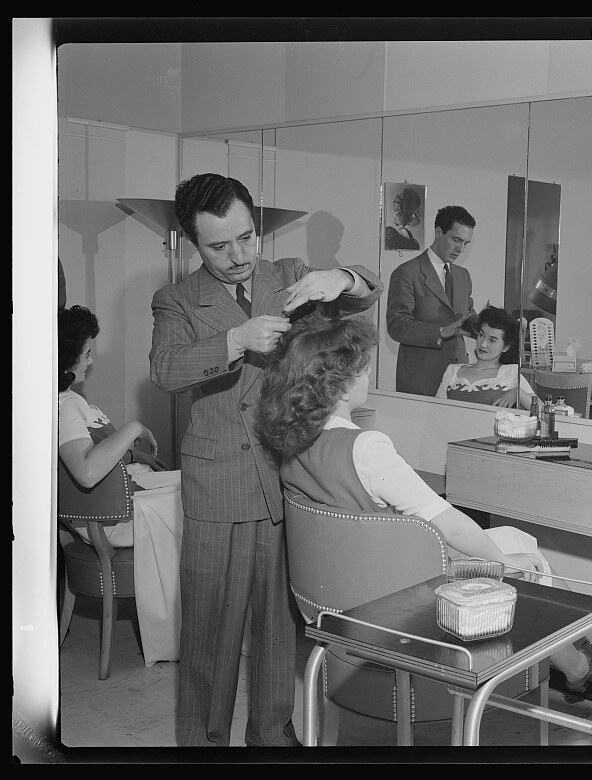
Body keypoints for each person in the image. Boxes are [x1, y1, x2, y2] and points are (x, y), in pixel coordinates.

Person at [255, 312, 592, 694]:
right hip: (399, 601)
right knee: (527, 558)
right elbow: (450, 525)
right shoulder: (365, 447)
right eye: (363, 368)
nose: (367, 374)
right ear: (340, 385)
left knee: (517, 539)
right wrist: (507, 562)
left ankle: (585, 656)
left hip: (339, 598)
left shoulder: (293, 441)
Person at [149, 172, 382, 748]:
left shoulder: (290, 277)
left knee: (280, 625)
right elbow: (165, 372)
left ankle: (272, 734)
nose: (238, 257)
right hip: (219, 483)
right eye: (219, 246)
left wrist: (343, 276)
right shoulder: (176, 300)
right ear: (191, 244)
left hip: (285, 475)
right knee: (209, 634)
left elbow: (367, 291)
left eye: (247, 238)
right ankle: (203, 745)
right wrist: (234, 341)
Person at [58, 305, 183, 666]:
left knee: (198, 484)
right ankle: (193, 630)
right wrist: (132, 428)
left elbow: (95, 458)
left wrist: (133, 456)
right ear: (66, 359)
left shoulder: (74, 403)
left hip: (119, 505)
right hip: (111, 519)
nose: (91, 360)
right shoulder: (65, 406)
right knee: (206, 501)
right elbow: (84, 472)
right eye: (86, 352)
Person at [386, 205, 479, 396]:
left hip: (458, 377)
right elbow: (397, 325)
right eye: (456, 240)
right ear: (438, 232)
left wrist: (499, 326)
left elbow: (467, 318)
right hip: (421, 379)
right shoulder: (407, 273)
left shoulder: (463, 276)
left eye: (466, 244)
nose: (460, 249)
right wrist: (440, 332)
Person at [435, 304, 537, 409]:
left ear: (505, 347)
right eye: (481, 335)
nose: (483, 344)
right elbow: (436, 411)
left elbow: (543, 410)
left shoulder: (511, 372)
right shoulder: (452, 370)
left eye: (492, 340)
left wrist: (518, 394)